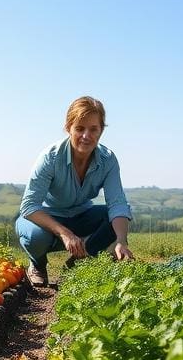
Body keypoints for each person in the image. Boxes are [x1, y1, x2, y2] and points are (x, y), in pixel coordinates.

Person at [16, 95, 134, 286]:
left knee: (116, 218)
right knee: (35, 236)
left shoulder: (108, 160)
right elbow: (29, 206)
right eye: (80, 128)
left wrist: (121, 241)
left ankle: (80, 260)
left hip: (81, 214)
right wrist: (65, 233)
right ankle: (38, 264)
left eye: (93, 129)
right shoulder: (50, 157)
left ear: (101, 131)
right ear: (68, 128)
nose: (86, 136)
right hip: (45, 217)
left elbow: (118, 204)